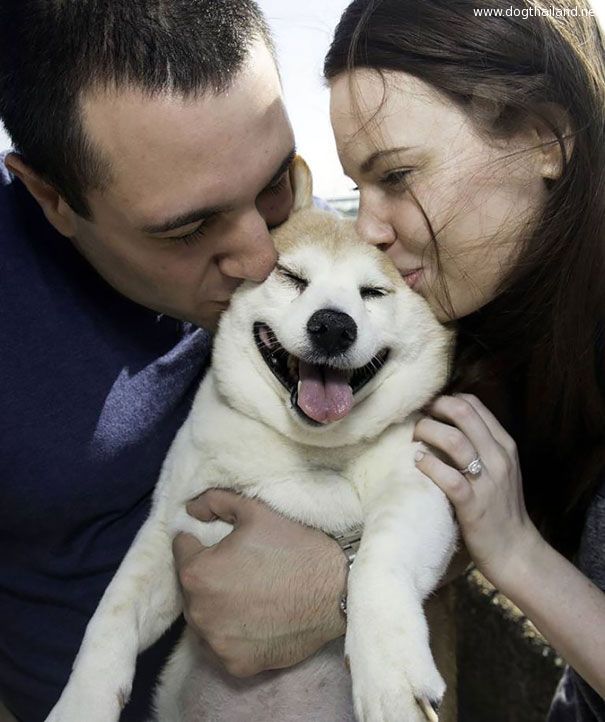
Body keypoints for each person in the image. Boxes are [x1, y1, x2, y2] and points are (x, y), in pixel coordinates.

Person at [0, 2, 353, 720]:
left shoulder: (337, 267)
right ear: (51, 198)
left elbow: (490, 479)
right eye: (191, 229)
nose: (260, 260)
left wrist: (344, 588)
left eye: (276, 182)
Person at [324, 0, 605, 718]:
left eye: (395, 176)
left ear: (544, 139)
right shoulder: (497, 317)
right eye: (357, 189)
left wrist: (513, 551)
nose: (367, 228)